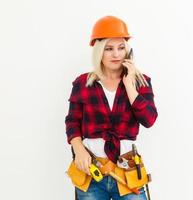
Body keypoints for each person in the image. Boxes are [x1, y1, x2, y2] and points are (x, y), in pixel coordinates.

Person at [65, 15, 158, 200]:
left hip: (128, 174)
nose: (116, 54)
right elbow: (72, 122)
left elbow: (149, 120)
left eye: (121, 47)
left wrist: (130, 85)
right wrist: (79, 150)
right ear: (99, 51)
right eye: (109, 48)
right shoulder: (83, 83)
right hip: (91, 172)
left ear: (128, 51)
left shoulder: (141, 82)